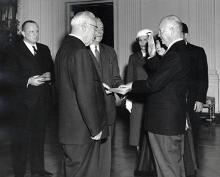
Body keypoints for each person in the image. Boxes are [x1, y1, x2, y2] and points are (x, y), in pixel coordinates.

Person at [111, 15, 191, 177]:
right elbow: (163, 74)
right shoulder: (181, 51)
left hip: (164, 124)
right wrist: (153, 56)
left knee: (167, 170)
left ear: (172, 30)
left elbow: (153, 84)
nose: (159, 35)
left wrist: (131, 86)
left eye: (161, 31)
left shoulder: (174, 54)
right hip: (172, 121)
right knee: (175, 167)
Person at [55, 11, 108, 177]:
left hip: (69, 131)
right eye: (94, 28)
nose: (96, 33)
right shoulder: (80, 52)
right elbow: (84, 94)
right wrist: (95, 128)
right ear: (84, 27)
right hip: (82, 132)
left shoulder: (63, 49)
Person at [7, 20, 54, 177]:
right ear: (23, 32)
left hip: (42, 102)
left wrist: (50, 76)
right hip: (22, 104)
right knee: (21, 141)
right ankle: (19, 172)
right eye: (32, 31)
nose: (35, 34)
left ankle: (38, 170)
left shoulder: (44, 49)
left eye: (37, 31)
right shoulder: (13, 50)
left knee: (39, 137)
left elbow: (52, 71)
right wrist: (28, 80)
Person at [88, 17, 123, 177]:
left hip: (108, 108)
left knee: (106, 152)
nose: (100, 32)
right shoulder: (80, 51)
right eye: (96, 28)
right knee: (89, 153)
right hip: (89, 110)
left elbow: (116, 77)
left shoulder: (110, 51)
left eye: (102, 28)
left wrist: (119, 91)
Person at [125, 29, 155, 176]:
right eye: (140, 40)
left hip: (152, 99)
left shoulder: (156, 57)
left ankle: (152, 165)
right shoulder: (133, 58)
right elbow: (129, 78)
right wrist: (128, 99)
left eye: (146, 40)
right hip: (137, 99)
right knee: (137, 133)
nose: (143, 43)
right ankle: (141, 165)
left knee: (151, 134)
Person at [182, 22, 208, 177]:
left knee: (193, 133)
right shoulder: (169, 51)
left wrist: (200, 99)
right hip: (175, 101)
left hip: (193, 101)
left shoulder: (198, 51)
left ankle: (193, 164)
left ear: (185, 34)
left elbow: (203, 78)